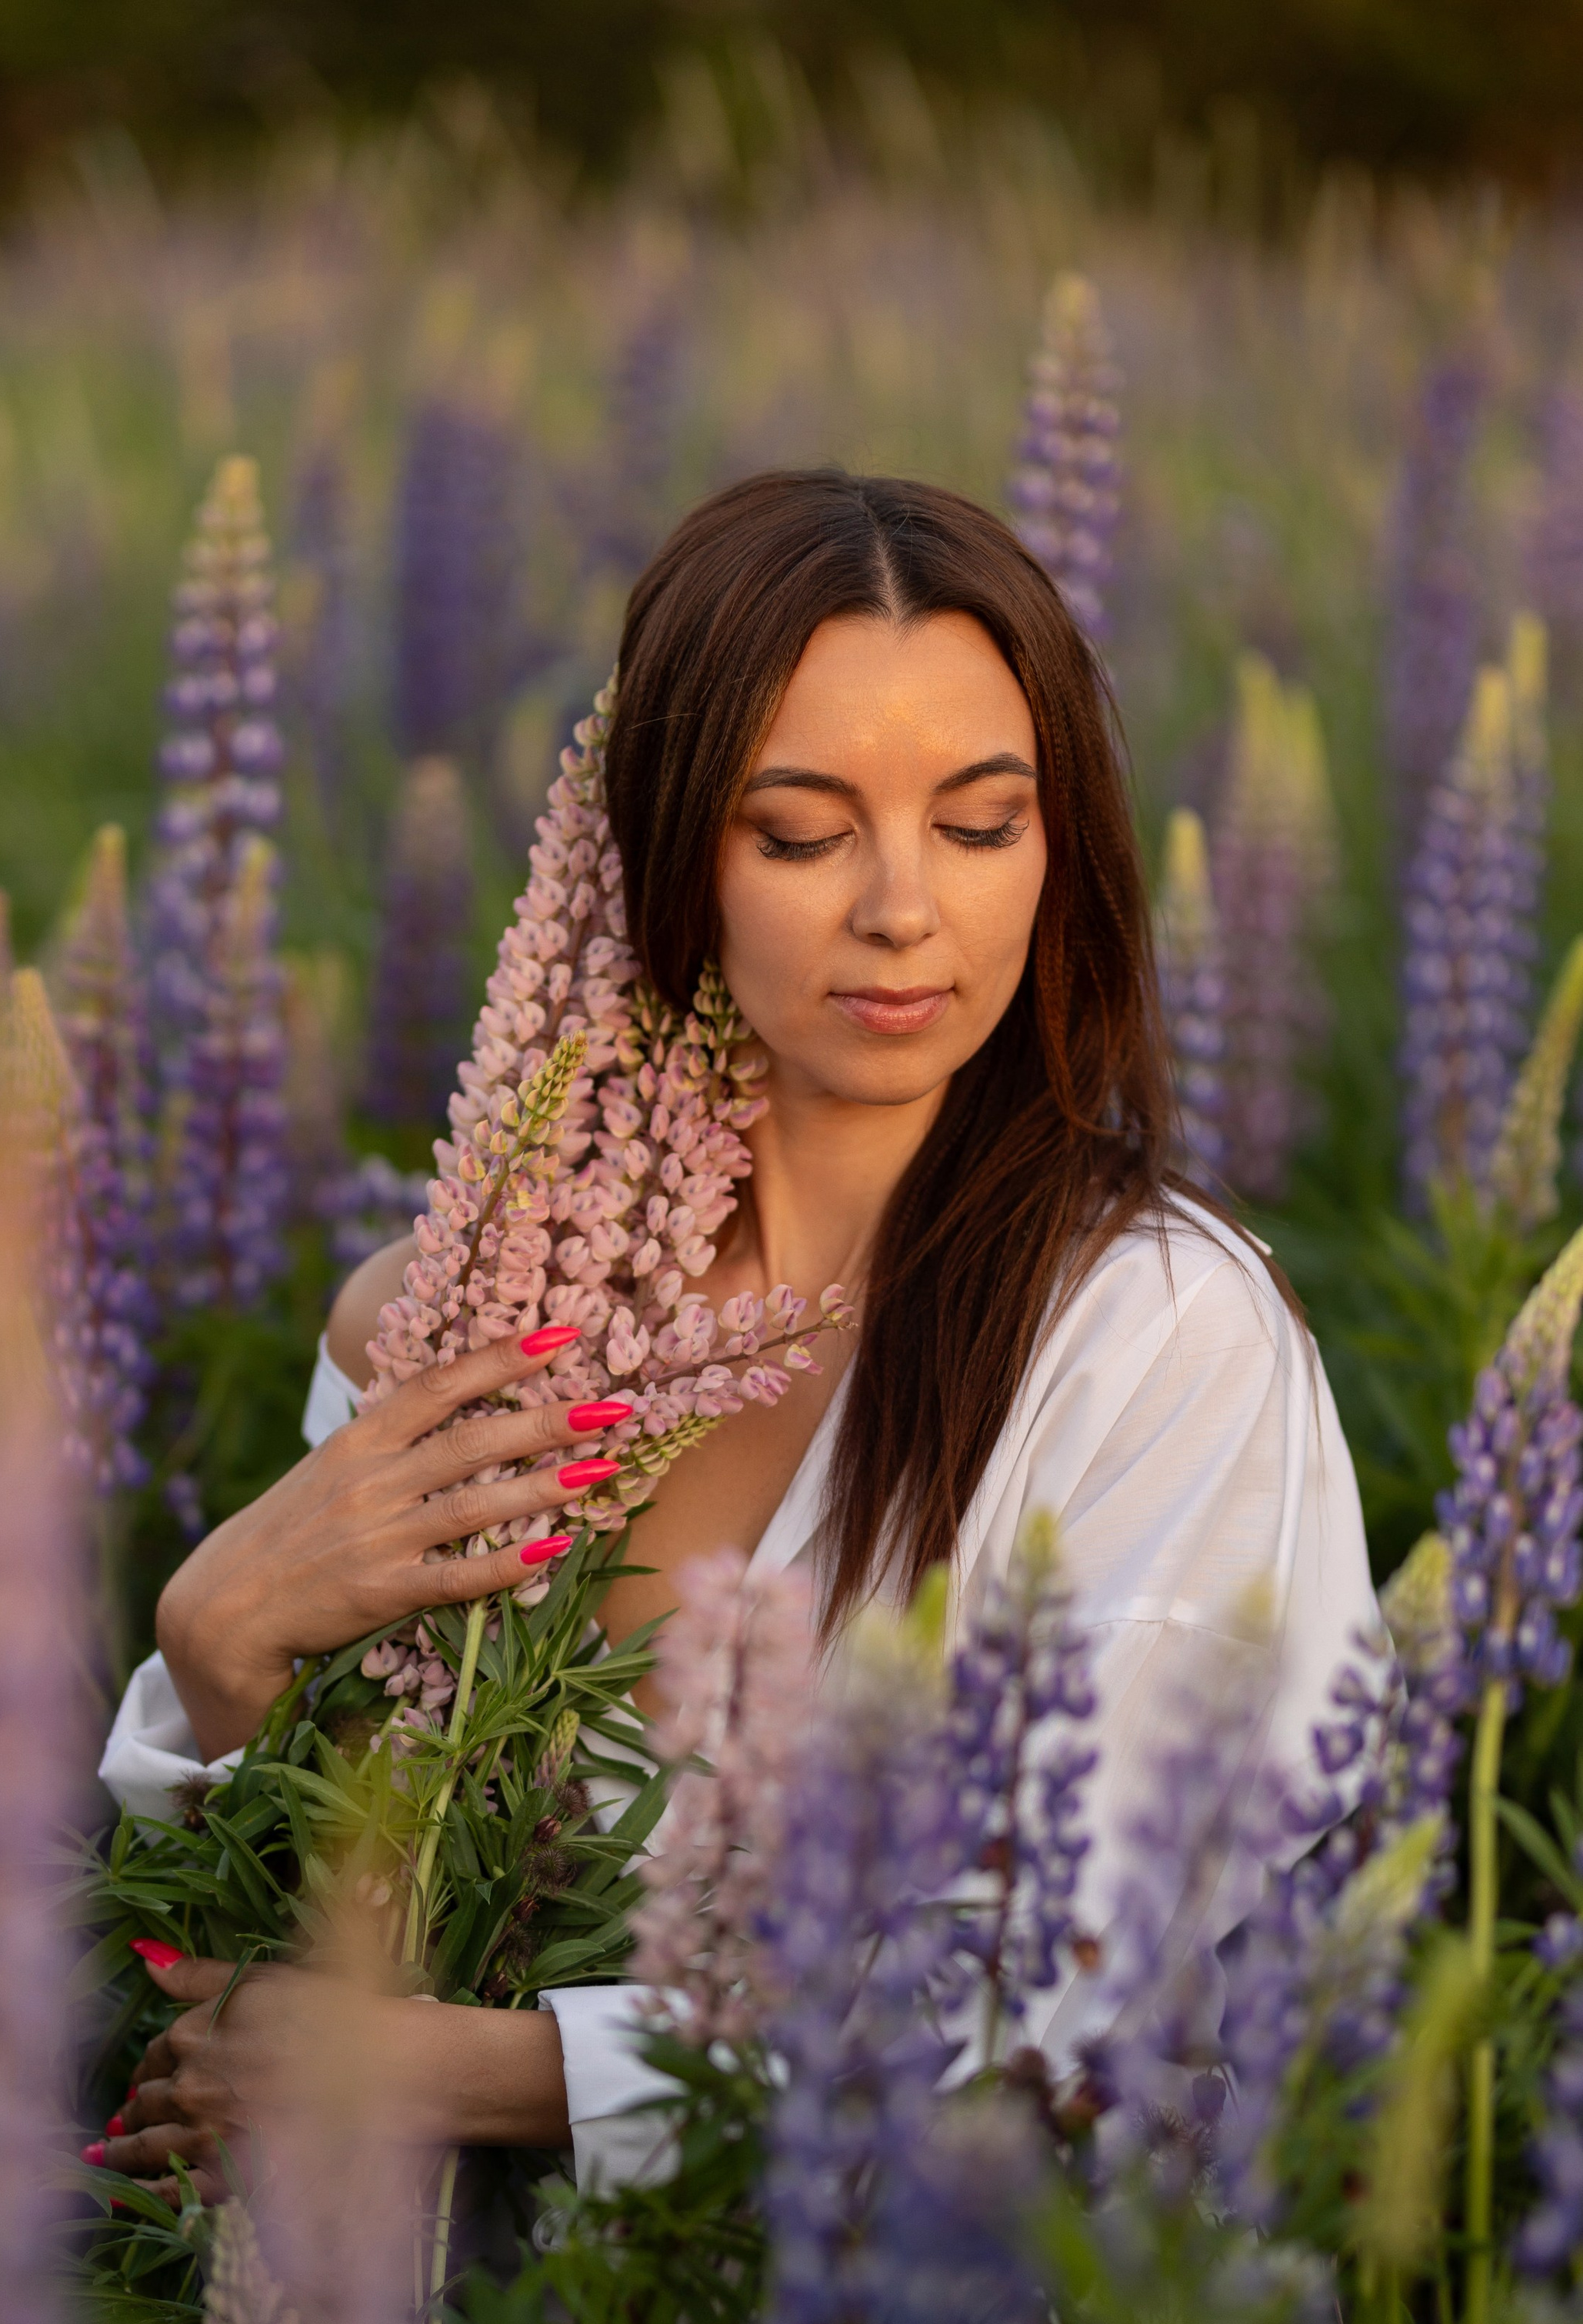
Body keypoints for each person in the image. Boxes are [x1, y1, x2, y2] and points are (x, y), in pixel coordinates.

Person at [96, 468, 1377, 2201]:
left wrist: (502, 2076)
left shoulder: (1156, 1334)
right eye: (801, 830)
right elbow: (276, 1988)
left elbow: (1084, 1995)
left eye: (982, 823)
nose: (900, 906)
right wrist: (220, 1649)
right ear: (661, 850)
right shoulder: (447, 1318)